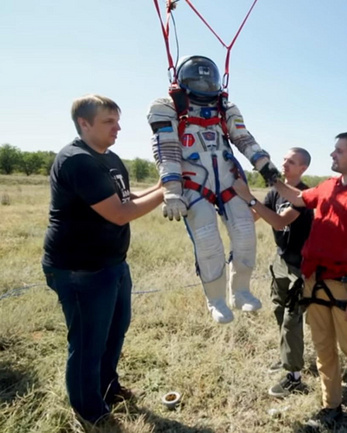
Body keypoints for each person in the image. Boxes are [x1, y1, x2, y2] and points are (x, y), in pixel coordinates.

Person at [42, 94, 165, 424]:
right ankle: (90, 411)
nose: (118, 128)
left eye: (118, 120)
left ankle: (107, 387)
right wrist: (169, 193)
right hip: (79, 269)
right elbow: (120, 213)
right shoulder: (77, 161)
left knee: (115, 330)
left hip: (112, 264)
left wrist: (164, 181)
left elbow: (128, 196)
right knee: (87, 342)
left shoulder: (108, 157)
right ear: (84, 123)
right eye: (109, 121)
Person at [147, 55, 280, 324]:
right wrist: (172, 190)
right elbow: (167, 149)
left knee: (245, 234)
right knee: (207, 239)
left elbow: (243, 137)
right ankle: (216, 299)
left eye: (208, 78)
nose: (204, 83)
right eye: (198, 78)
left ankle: (241, 292)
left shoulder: (226, 107)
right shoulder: (167, 106)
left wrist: (265, 165)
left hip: (228, 177)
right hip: (194, 181)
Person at [272, 131, 347, 431]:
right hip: (313, 283)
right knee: (324, 351)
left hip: (345, 286)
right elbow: (299, 198)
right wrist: (270, 177)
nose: (332, 155)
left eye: (339, 151)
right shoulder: (327, 186)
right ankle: (331, 406)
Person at [233, 148, 313, 398]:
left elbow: (279, 222)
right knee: (279, 311)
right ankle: (286, 357)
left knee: (291, 319)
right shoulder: (274, 193)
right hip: (280, 262)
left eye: (292, 162)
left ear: (303, 168)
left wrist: (250, 198)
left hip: (300, 267)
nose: (285, 164)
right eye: (285, 160)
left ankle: (295, 378)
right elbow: (254, 216)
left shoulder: (304, 195)